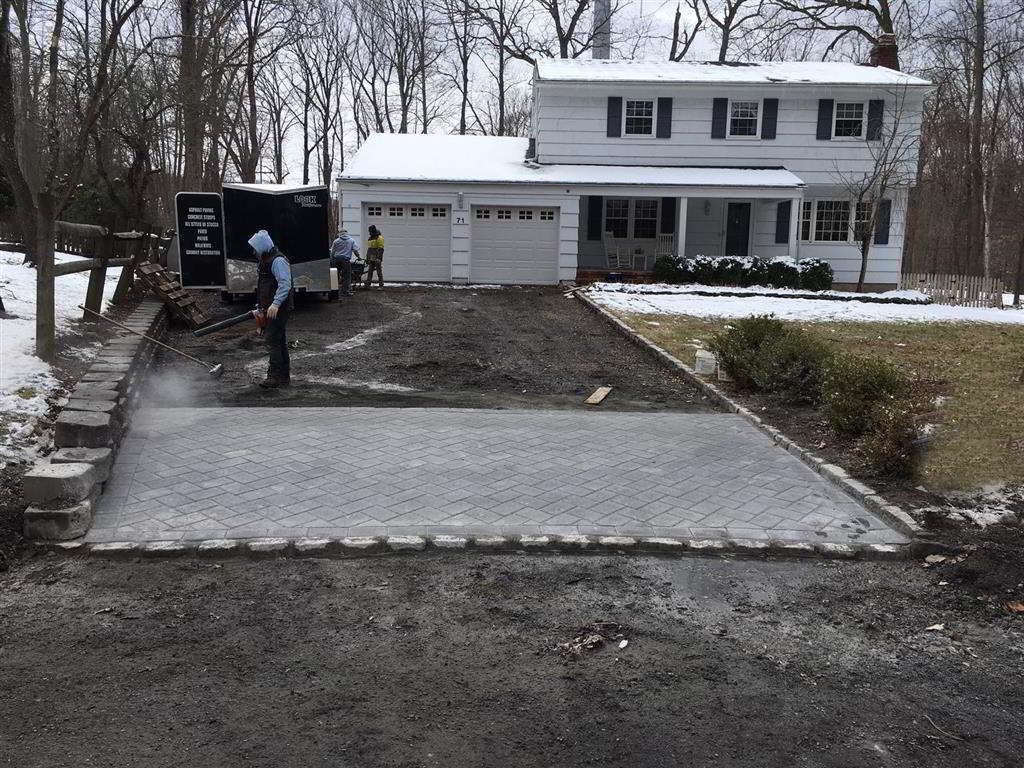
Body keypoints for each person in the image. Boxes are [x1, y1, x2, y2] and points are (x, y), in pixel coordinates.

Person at [250, 229, 292, 388]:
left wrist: (276, 303)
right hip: (270, 307)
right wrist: (260, 306)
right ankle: (283, 377)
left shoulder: (277, 261)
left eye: (255, 248)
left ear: (262, 246)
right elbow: (264, 287)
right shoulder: (265, 260)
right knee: (279, 341)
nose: (254, 251)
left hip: (278, 309)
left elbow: (285, 284)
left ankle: (274, 377)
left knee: (273, 340)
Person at [330, 228, 359, 298]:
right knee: (346, 276)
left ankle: (334, 292)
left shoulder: (336, 241)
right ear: (346, 233)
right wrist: (359, 257)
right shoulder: (351, 240)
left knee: (335, 276)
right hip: (346, 260)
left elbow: (332, 252)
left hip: (336, 260)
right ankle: (345, 292)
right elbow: (355, 250)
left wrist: (331, 260)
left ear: (339, 234)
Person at [364, 224, 385, 289]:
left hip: (377, 257)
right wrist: (367, 258)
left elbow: (381, 249)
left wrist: (379, 258)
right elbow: (369, 249)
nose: (369, 232)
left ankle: (381, 285)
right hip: (371, 257)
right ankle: (368, 284)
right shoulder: (370, 238)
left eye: (370, 231)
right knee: (370, 271)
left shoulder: (379, 238)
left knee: (379, 271)